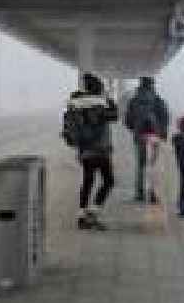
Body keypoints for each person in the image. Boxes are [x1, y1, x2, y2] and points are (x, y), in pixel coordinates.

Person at [62, 73, 118, 230]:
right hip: (100, 150)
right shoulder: (100, 104)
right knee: (108, 181)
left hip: (85, 150)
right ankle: (92, 213)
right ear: (98, 88)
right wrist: (108, 99)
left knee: (88, 181)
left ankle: (81, 215)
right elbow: (114, 115)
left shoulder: (77, 103)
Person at [124, 76, 169, 203]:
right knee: (153, 164)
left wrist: (135, 129)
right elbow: (165, 117)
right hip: (155, 135)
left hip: (140, 136)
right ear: (152, 85)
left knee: (140, 164)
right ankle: (152, 193)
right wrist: (162, 133)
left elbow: (128, 120)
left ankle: (139, 193)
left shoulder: (134, 101)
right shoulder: (157, 100)